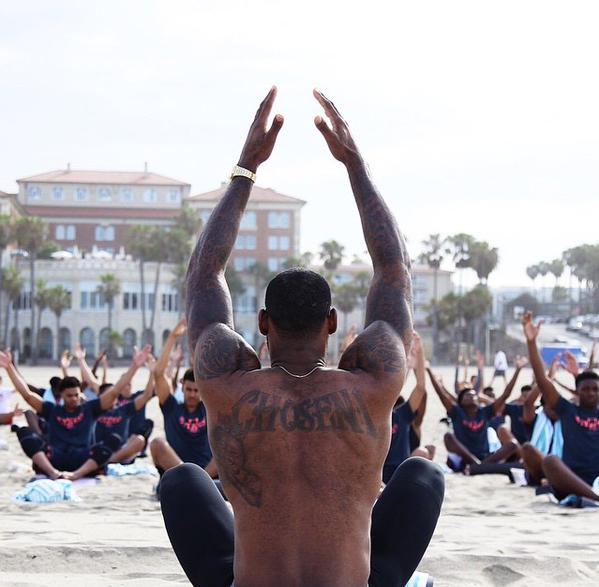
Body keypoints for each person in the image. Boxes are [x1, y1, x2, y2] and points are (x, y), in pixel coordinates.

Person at [159, 87, 444, 587]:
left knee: (182, 480)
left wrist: (246, 168)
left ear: (264, 324)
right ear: (332, 323)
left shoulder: (227, 383)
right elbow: (394, 271)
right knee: (425, 477)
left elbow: (205, 276)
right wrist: (356, 167)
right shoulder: (372, 382)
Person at [5, 346, 151, 480]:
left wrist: (135, 366)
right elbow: (27, 395)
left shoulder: (90, 408)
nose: (74, 399)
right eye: (70, 396)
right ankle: (53, 473)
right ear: (61, 395)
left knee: (113, 440)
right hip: (56, 457)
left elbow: (114, 391)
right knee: (24, 432)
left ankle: (75, 475)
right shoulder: (52, 410)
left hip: (83, 459)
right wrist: (9, 367)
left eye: (76, 395)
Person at [522, 312, 599, 501]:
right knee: (549, 461)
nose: (590, 393)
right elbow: (542, 380)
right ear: (577, 392)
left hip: (597, 479)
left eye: (595, 389)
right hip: (569, 477)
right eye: (586, 389)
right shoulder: (567, 410)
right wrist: (532, 343)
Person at [150, 319, 216, 479]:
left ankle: (199, 482)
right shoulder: (171, 407)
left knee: (229, 447)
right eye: (188, 390)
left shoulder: (209, 409)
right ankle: (193, 480)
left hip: (207, 474)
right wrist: (172, 337)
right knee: (157, 443)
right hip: (178, 471)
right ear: (182, 387)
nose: (192, 394)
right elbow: (158, 374)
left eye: (196, 390)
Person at [428, 361, 521, 472]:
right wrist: (429, 371)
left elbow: (505, 394)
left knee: (513, 445)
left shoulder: (485, 412)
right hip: (465, 458)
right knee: (448, 436)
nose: (471, 396)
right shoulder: (457, 412)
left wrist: (518, 370)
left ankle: (479, 467)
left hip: (485, 457)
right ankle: (477, 465)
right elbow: (441, 395)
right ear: (461, 402)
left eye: (474, 395)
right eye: (467, 395)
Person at [383, 332, 433, 483]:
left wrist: (420, 351)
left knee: (423, 453)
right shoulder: (370, 414)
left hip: (401, 473)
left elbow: (420, 387)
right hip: (377, 476)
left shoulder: (401, 414)